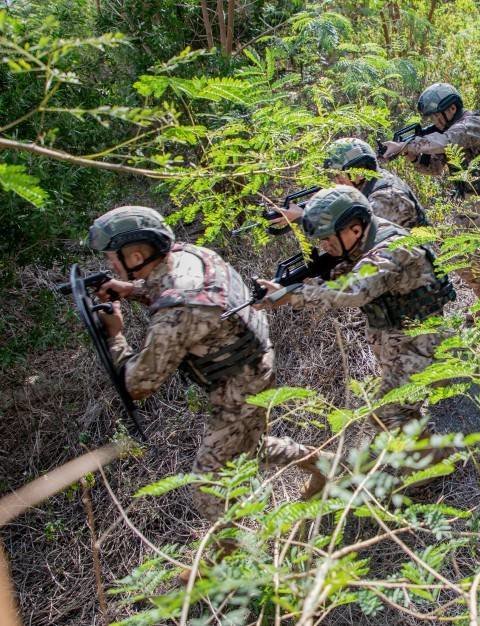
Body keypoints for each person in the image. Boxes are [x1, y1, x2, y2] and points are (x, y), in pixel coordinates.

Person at [87, 206, 325, 522]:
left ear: (135, 256)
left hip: (239, 386)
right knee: (247, 448)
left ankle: (230, 559)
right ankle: (326, 465)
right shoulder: (188, 255)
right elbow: (177, 288)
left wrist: (115, 334)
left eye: (113, 256)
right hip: (255, 361)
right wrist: (132, 290)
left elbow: (138, 384)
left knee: (208, 484)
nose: (110, 263)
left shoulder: (177, 313)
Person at [254, 185, 455, 429]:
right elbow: (340, 275)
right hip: (398, 339)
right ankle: (420, 432)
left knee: (386, 416)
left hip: (424, 343)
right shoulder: (363, 239)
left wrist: (293, 294)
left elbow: (353, 291)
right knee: (398, 410)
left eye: (328, 238)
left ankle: (440, 459)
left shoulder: (392, 250)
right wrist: (287, 287)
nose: (325, 246)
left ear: (355, 229)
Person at [380, 83, 480, 298]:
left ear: (451, 109)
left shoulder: (473, 124)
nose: (434, 122)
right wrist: (411, 155)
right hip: (467, 200)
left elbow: (444, 142)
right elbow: (434, 169)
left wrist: (405, 145)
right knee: (455, 255)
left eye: (436, 116)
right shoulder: (446, 131)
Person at [270, 137, 429, 231]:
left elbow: (354, 228)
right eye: (333, 175)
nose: (336, 181)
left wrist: (305, 217)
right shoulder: (366, 186)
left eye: (340, 175)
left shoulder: (386, 195)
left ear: (360, 171)